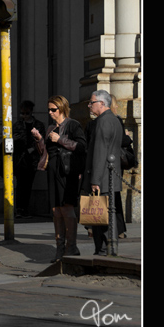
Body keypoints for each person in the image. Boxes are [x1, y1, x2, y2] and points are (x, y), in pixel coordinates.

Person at [33, 95, 85, 261]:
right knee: (56, 209)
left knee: (67, 207)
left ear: (62, 109)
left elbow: (81, 147)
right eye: (49, 110)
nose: (50, 112)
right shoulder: (50, 128)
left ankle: (72, 247)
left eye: (53, 109)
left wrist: (60, 139)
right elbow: (45, 152)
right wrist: (40, 140)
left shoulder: (73, 125)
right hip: (53, 171)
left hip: (67, 172)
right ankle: (60, 248)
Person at [82, 90, 124, 256]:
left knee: (100, 217)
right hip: (110, 176)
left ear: (102, 103)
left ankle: (103, 250)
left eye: (91, 102)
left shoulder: (102, 121)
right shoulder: (114, 120)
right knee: (108, 214)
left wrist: (95, 180)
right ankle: (109, 248)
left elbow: (100, 152)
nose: (89, 106)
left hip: (103, 178)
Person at [13, 100, 46, 218]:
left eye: (26, 113)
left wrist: (33, 149)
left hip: (32, 159)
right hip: (20, 158)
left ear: (31, 112)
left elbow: (42, 140)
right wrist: (13, 139)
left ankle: (25, 209)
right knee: (20, 184)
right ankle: (19, 209)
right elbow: (9, 139)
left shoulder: (39, 125)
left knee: (28, 185)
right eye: (22, 113)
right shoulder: (17, 125)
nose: (24, 116)